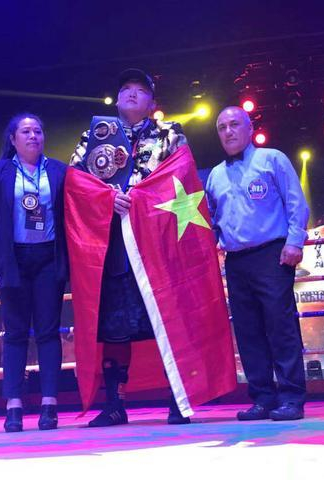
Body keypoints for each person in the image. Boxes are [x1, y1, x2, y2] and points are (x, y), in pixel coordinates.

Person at [69, 68, 189, 427]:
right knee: (115, 326)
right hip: (114, 246)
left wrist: (141, 201)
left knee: (166, 321)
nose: (131, 93)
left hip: (158, 246)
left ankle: (178, 400)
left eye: (140, 89)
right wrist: (107, 199)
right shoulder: (95, 135)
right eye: (125, 88)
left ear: (152, 102)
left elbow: (182, 180)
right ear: (116, 99)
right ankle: (114, 405)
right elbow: (76, 182)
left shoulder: (170, 134)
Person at [0, 113, 68, 432]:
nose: (33, 136)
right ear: (13, 139)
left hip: (49, 258)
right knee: (15, 333)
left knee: (48, 331)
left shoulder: (59, 170)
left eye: (38, 131)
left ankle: (50, 404)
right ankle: (13, 406)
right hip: (13, 261)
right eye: (26, 131)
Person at [206, 106, 309, 421]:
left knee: (281, 327)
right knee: (248, 331)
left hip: (271, 255)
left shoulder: (272, 159)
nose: (228, 132)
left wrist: (295, 241)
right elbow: (211, 221)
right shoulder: (215, 175)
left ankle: (291, 398)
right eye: (222, 127)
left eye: (234, 124)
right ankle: (263, 398)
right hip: (235, 260)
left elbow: (296, 202)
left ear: (250, 129)